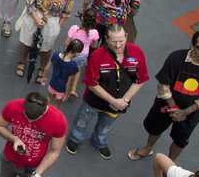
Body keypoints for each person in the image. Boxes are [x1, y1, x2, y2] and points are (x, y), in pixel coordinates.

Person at [65, 24, 149, 160]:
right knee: (82, 122)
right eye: (114, 41)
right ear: (106, 39)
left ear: (126, 37)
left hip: (119, 104)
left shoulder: (137, 52)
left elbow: (141, 79)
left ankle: (99, 140)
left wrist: (124, 100)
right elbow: (91, 84)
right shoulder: (97, 56)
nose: (118, 45)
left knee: (105, 126)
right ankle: (75, 138)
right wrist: (114, 101)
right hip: (94, 102)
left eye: (121, 41)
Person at [127, 30, 199, 161]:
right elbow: (163, 85)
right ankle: (148, 148)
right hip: (166, 104)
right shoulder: (176, 58)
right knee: (155, 128)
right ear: (193, 46)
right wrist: (175, 109)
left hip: (192, 112)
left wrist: (185, 112)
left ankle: (170, 164)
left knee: (180, 140)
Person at [0, 92, 67, 177]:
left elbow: (54, 151)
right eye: (26, 116)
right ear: (23, 105)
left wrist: (36, 175)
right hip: (9, 159)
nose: (30, 121)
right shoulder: (13, 106)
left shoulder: (58, 120)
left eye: (34, 118)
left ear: (44, 111)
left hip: (34, 167)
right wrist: (14, 139)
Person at [15, 0, 74, 84]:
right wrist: (36, 18)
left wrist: (58, 27)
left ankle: (42, 67)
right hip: (34, 15)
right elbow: (30, 2)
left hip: (52, 20)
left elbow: (66, 12)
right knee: (27, 42)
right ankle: (22, 61)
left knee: (46, 49)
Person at [64, 8, 100, 97]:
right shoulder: (94, 32)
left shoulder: (75, 28)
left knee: (68, 72)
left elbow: (66, 42)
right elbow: (94, 46)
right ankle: (73, 89)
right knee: (77, 70)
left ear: (83, 18)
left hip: (71, 52)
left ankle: (64, 89)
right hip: (83, 55)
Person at [43, 39, 83, 104]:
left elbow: (47, 68)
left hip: (52, 84)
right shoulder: (73, 66)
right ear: (77, 53)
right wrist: (66, 94)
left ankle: (46, 109)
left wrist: (44, 77)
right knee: (56, 106)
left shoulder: (56, 54)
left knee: (49, 99)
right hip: (61, 89)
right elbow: (68, 82)